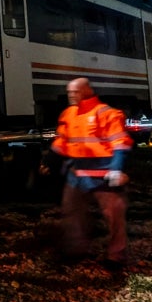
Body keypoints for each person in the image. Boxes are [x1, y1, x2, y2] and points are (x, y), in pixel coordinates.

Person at [46, 77, 133, 270]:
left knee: (114, 216)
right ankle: (76, 251)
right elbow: (62, 142)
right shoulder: (68, 114)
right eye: (69, 92)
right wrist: (49, 160)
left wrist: (116, 169)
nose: (71, 96)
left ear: (86, 91)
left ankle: (116, 256)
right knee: (72, 213)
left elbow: (120, 144)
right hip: (78, 174)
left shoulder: (107, 114)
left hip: (103, 175)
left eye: (74, 92)